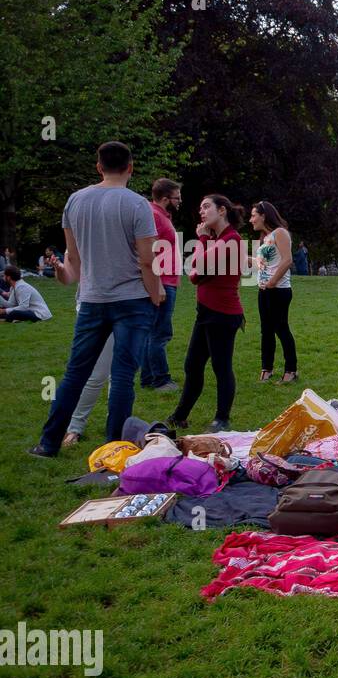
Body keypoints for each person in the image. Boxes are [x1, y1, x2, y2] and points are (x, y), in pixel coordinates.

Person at [28, 141, 163, 458]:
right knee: (123, 377)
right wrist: (155, 292)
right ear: (130, 167)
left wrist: (62, 272)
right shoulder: (136, 204)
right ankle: (112, 450)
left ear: (98, 166)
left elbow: (72, 260)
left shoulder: (75, 201)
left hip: (91, 300)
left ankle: (48, 444)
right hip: (131, 301)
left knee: (76, 373)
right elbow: (147, 259)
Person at [167, 194, 246, 433]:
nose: (201, 212)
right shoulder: (217, 241)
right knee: (192, 365)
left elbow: (197, 269)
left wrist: (201, 238)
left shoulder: (231, 240)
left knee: (221, 367)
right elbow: (196, 274)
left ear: (222, 211)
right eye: (200, 207)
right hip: (206, 314)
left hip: (223, 315)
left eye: (206, 207)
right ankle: (180, 416)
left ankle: (222, 419)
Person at [140, 178, 182, 392]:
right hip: (162, 282)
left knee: (152, 331)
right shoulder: (155, 216)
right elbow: (149, 252)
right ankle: (161, 380)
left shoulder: (160, 215)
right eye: (177, 197)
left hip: (166, 280)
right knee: (160, 333)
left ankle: (147, 378)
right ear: (165, 199)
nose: (180, 201)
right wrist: (158, 285)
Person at [250, 200, 298, 384]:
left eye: (253, 215)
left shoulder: (280, 233)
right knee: (266, 331)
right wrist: (246, 259)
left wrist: (272, 282)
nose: (251, 219)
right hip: (264, 291)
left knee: (281, 328)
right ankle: (266, 369)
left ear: (263, 215)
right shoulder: (266, 237)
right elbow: (263, 264)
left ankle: (291, 370)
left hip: (278, 291)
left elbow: (287, 260)